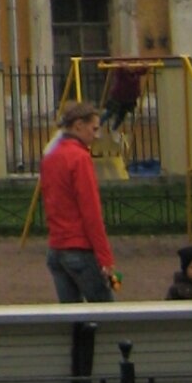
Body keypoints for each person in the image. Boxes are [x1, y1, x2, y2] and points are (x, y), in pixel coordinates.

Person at [39, 100, 119, 302]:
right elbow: (91, 212)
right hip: (79, 248)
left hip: (56, 248)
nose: (96, 135)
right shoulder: (79, 157)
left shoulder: (50, 156)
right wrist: (105, 257)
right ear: (78, 126)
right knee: (109, 316)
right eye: (94, 129)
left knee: (74, 322)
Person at [98, 58, 148, 133]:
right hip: (118, 96)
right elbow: (118, 71)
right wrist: (122, 66)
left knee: (122, 115)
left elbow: (143, 71)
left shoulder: (136, 72)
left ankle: (114, 129)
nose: (131, 67)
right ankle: (98, 126)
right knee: (109, 113)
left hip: (129, 98)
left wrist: (145, 66)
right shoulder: (122, 72)